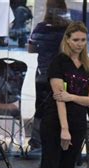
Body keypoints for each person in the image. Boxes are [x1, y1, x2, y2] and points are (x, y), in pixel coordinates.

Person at [36, 21, 89, 168]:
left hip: (78, 122)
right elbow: (58, 98)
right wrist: (64, 128)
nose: (80, 44)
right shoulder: (58, 62)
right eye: (76, 40)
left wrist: (72, 97)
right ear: (68, 40)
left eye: (83, 40)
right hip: (56, 121)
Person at [27, 0, 70, 152]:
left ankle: (36, 143)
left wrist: (45, 46)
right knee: (64, 106)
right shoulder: (68, 28)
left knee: (41, 107)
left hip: (43, 72)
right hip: (64, 74)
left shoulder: (42, 28)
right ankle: (62, 139)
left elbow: (31, 48)